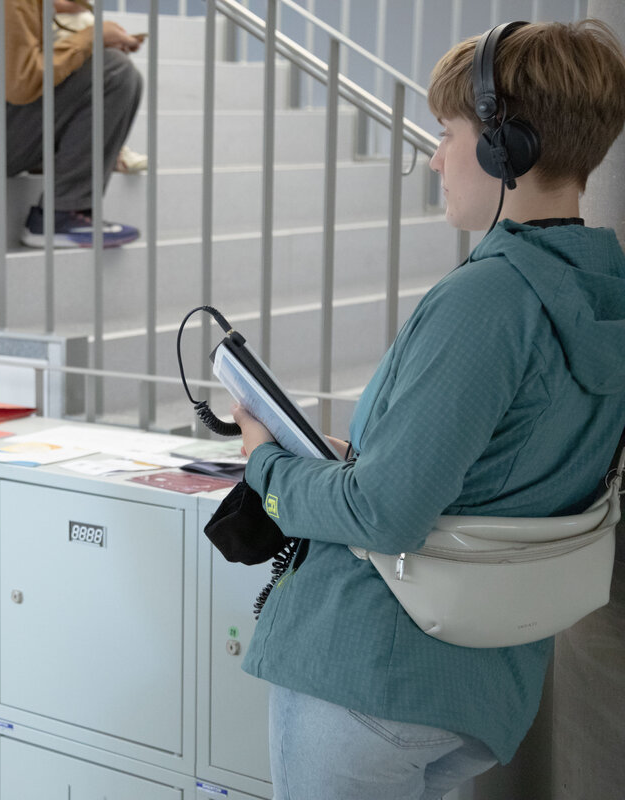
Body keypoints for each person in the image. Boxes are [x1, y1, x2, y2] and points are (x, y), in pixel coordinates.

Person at [228, 19, 625, 800]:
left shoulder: (489, 299)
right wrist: (366, 459)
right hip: (482, 686)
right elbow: (499, 467)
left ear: (506, 147)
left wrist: (265, 466)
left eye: (448, 132)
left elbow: (383, 514)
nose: (436, 157)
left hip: (373, 674)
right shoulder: (602, 293)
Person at [0, 0, 144, 248]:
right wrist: (91, 38)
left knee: (109, 70)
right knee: (113, 71)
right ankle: (60, 215)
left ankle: (66, 209)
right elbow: (21, 83)